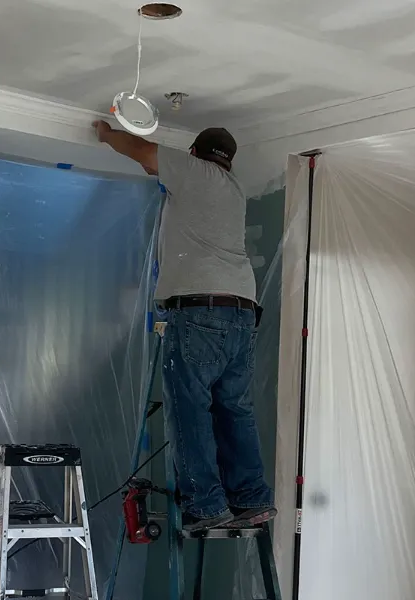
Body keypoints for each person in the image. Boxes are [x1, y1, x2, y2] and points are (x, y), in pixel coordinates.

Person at [93, 121, 275, 532]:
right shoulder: (233, 189)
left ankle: (206, 505)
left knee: (190, 408)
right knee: (234, 409)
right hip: (242, 313)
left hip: (199, 313)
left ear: (194, 152)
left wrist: (106, 133)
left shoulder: (196, 173)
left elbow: (142, 152)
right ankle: (251, 498)